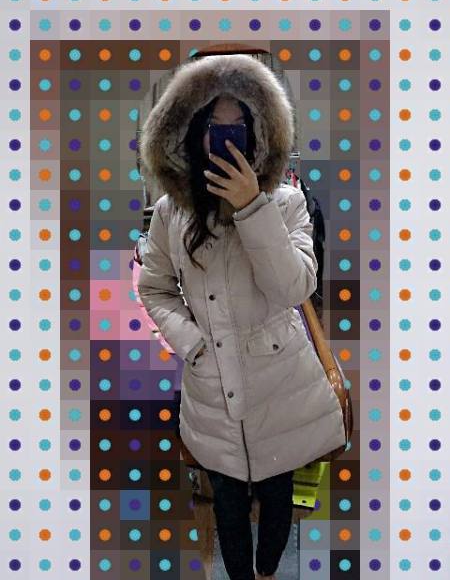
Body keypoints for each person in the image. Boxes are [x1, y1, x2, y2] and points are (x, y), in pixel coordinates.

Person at [137, 54, 346, 580]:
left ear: (258, 133)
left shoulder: (288, 202)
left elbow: (295, 288)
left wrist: (254, 207)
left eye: (239, 124)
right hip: (211, 387)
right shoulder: (171, 213)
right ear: (192, 132)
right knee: (227, 506)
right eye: (214, 124)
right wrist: (194, 346)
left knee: (278, 496)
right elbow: (154, 287)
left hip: (282, 382)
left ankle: (268, 572)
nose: (226, 136)